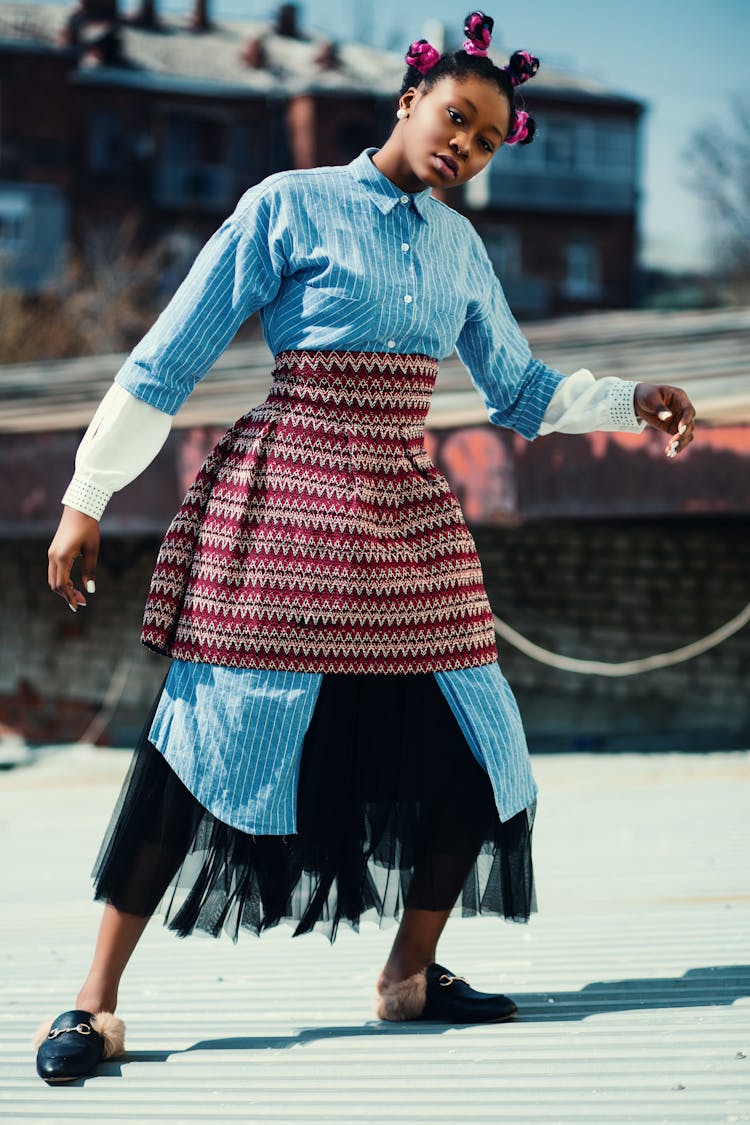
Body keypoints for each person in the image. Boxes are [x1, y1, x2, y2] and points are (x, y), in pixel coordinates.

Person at [35, 10, 695, 1084]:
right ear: (410, 99)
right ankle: (93, 1003)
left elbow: (520, 391)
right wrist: (85, 495)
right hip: (282, 503)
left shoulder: (460, 246)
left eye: (486, 141)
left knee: (481, 745)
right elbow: (169, 358)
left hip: (404, 515)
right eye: (456, 120)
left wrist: (631, 396)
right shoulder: (287, 206)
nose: (465, 148)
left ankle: (410, 975)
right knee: (199, 747)